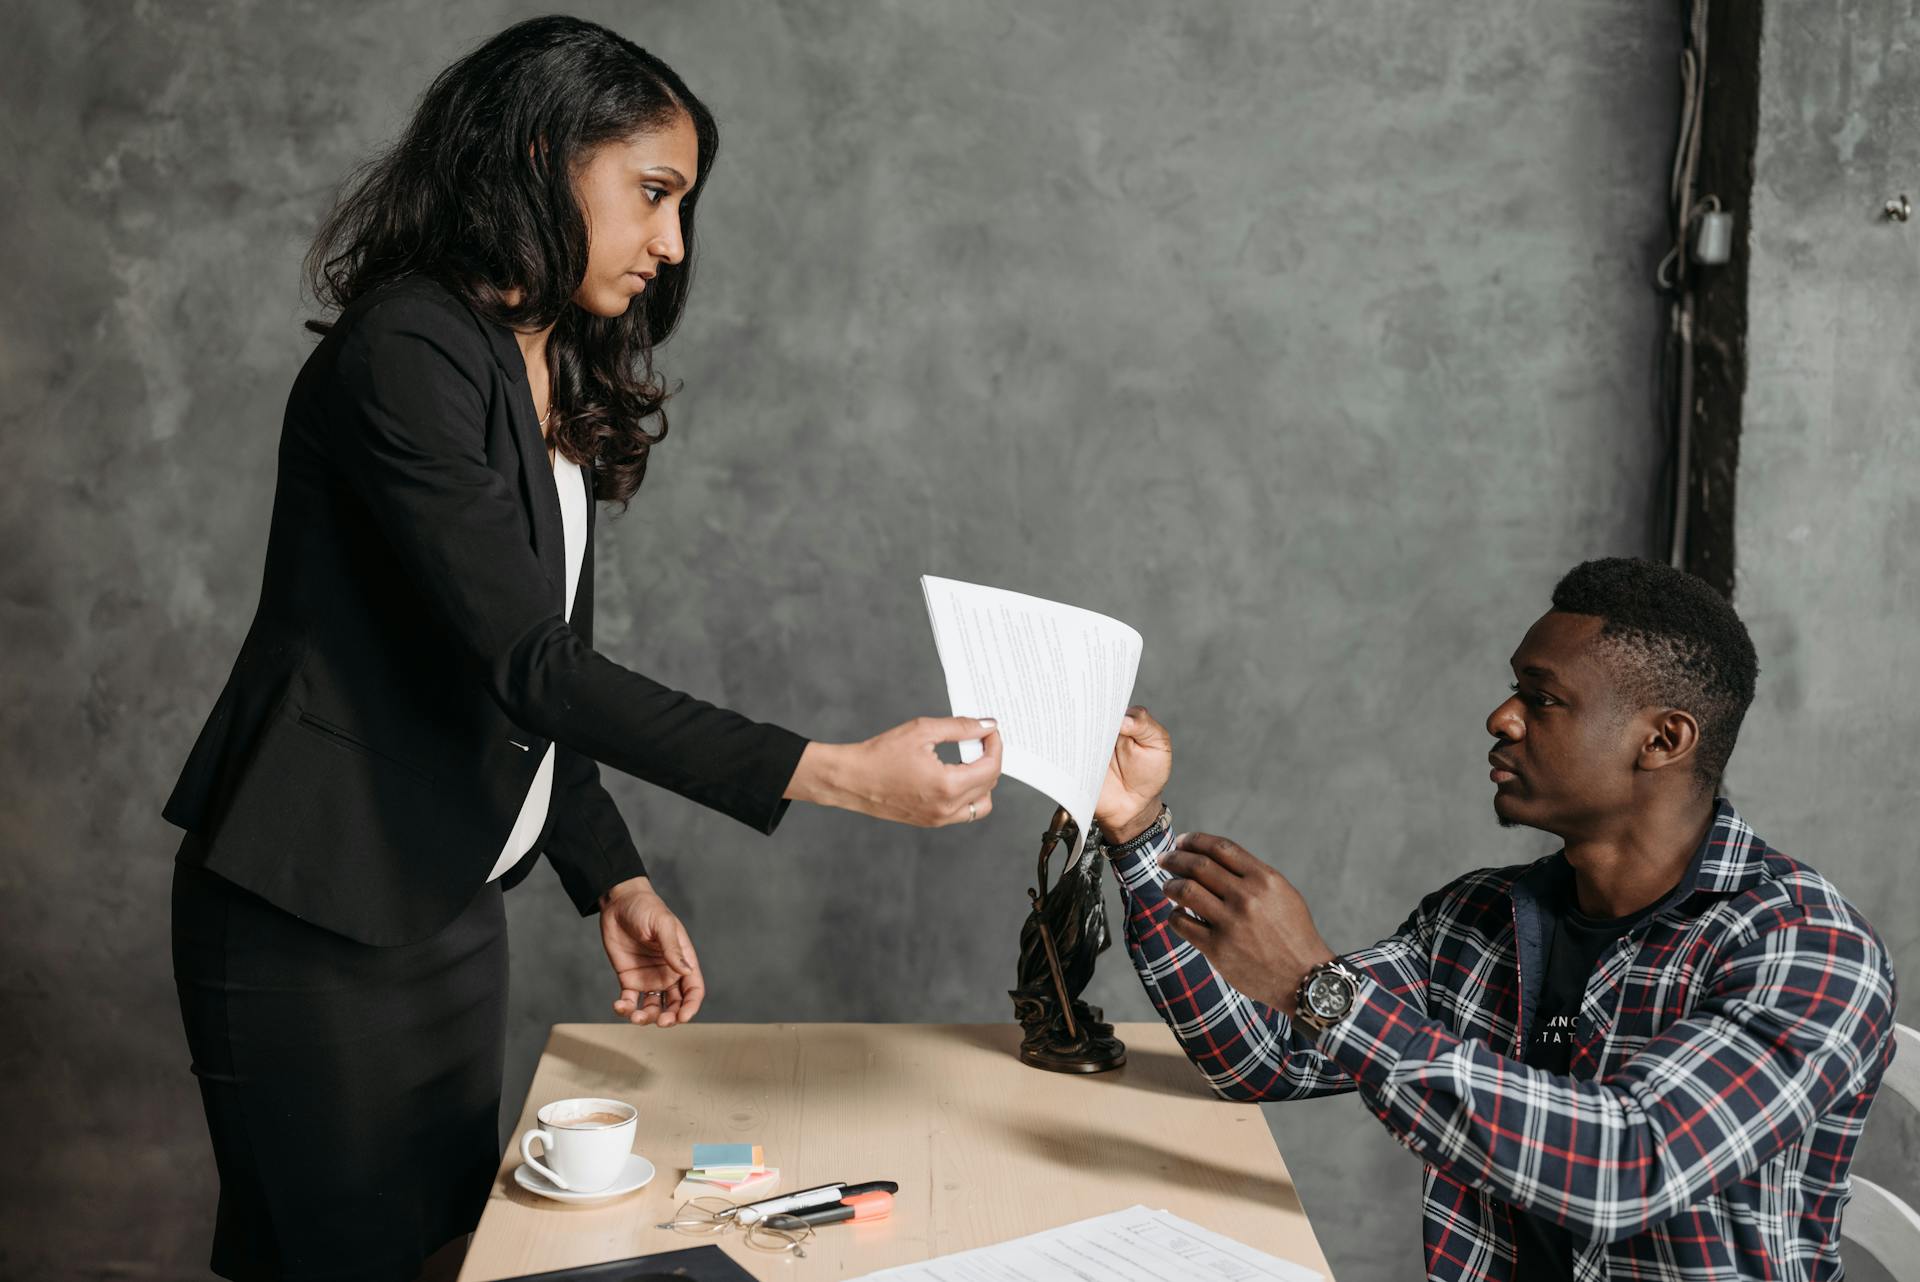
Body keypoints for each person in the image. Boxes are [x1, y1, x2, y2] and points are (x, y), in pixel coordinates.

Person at [164, 17, 1003, 1282]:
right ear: (544, 157)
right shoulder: (407, 349)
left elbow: (505, 670)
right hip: (314, 913)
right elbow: (530, 667)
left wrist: (607, 872)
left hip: (445, 903)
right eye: (652, 194)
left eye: (682, 207)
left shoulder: (542, 358)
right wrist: (832, 770)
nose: (672, 245)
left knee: (455, 1248)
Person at [1089, 558, 1897, 1281]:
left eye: (1540, 698)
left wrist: (1316, 984)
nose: (1501, 717)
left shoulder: (1806, 948)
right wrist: (1137, 832)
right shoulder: (1480, 918)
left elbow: (1626, 1166)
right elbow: (1260, 1057)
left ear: (1663, 739)